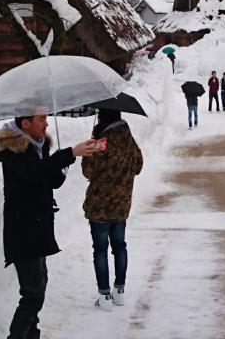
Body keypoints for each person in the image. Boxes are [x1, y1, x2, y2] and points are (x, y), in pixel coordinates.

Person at [0, 113, 101, 339]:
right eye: (41, 119)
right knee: (33, 294)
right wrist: (68, 153)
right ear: (26, 124)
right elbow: (34, 173)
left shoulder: (37, 146)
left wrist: (64, 163)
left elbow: (52, 181)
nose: (46, 123)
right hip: (22, 230)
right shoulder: (14, 150)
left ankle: (32, 334)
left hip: (38, 228)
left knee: (39, 285)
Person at [82, 109, 143, 312]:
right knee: (120, 247)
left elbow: (88, 171)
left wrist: (90, 149)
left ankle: (105, 296)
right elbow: (138, 166)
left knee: (100, 249)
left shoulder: (101, 142)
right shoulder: (129, 140)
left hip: (100, 207)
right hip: (121, 205)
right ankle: (120, 291)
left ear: (102, 118)